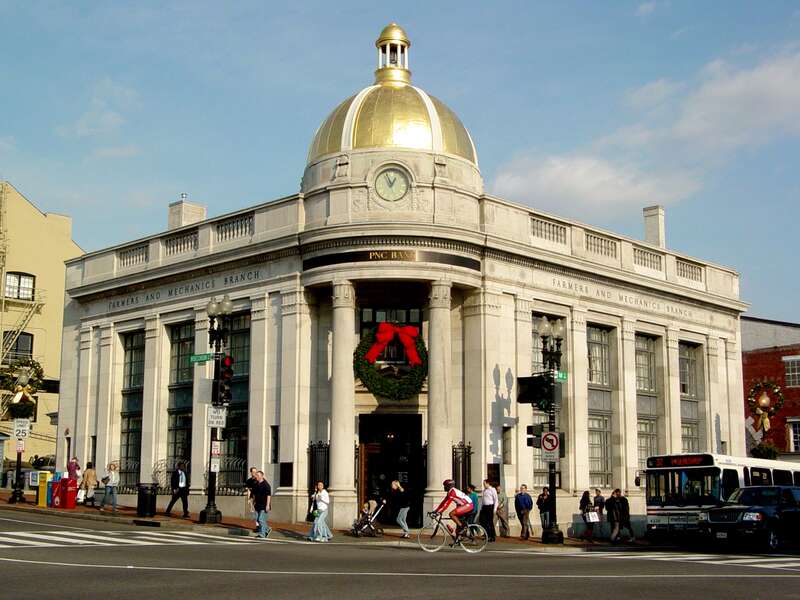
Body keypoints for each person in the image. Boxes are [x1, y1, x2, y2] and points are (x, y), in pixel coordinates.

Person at [251, 470, 272, 539]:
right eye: (256, 475)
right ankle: (267, 529)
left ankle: (262, 534)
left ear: (262, 476)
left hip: (264, 505)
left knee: (261, 519)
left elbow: (268, 495)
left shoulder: (266, 485)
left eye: (258, 475)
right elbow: (254, 494)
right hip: (257, 504)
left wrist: (267, 505)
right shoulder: (255, 484)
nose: (256, 477)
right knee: (257, 519)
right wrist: (252, 503)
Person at [244, 467, 259, 531]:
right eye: (253, 472)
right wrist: (248, 499)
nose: (255, 473)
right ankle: (257, 526)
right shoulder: (249, 481)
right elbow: (249, 491)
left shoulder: (258, 480)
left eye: (256, 472)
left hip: (259, 498)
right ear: (251, 473)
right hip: (253, 498)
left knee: (259, 512)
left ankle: (261, 526)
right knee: (254, 512)